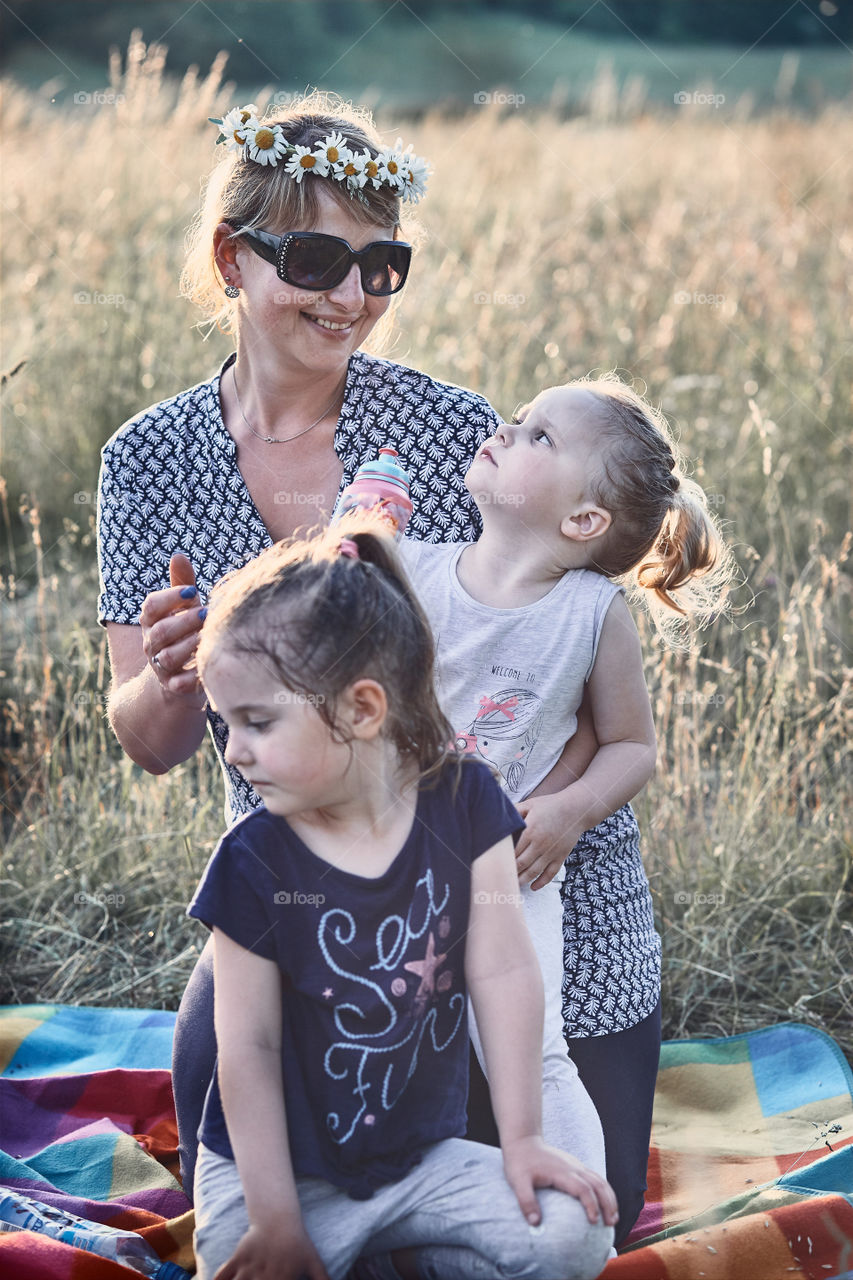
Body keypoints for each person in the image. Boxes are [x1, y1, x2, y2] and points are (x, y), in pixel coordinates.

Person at [96, 91, 608, 1207]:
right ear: (234, 258)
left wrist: (560, 810)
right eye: (319, 257)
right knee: (236, 1125)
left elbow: (564, 647)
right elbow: (144, 736)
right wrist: (174, 676)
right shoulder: (147, 460)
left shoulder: (442, 427)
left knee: (539, 1186)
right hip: (289, 870)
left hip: (474, 856)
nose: (352, 297)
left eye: (382, 266)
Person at [186, 521, 617, 1280]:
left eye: (256, 723)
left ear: (361, 709)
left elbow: (504, 974)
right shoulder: (251, 862)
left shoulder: (465, 803)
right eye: (226, 724)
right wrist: (278, 1220)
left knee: (570, 1234)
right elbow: (245, 1049)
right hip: (286, 1177)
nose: (233, 751)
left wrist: (521, 1141)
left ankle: (399, 1250)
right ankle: (362, 1253)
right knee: (235, 1259)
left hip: (419, 1161)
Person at [399, 374, 733, 1246]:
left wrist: (569, 812)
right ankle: (382, 1208)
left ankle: (575, 1221)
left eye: (539, 436)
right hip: (396, 866)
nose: (506, 430)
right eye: (520, 420)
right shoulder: (412, 569)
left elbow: (632, 746)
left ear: (582, 522)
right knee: (388, 1027)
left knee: (534, 1043)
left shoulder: (590, 615)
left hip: (513, 867)